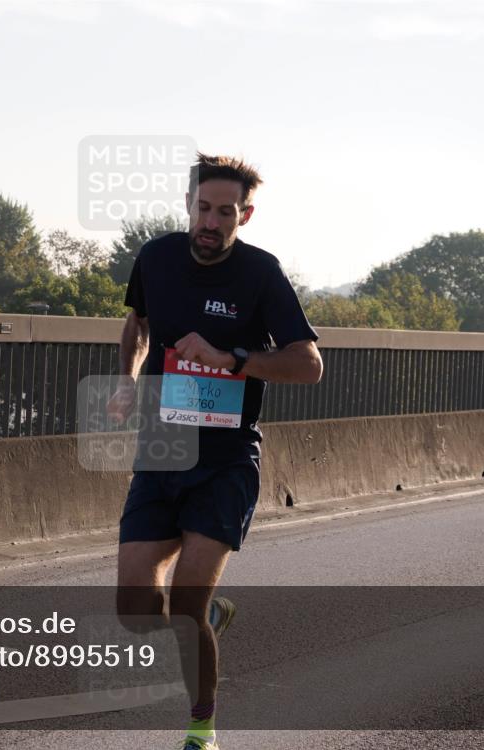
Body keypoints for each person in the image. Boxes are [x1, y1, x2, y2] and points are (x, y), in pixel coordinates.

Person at [108, 153, 323, 749]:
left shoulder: (260, 273)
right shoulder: (155, 257)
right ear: (189, 205)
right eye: (202, 208)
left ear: (244, 215)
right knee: (132, 608)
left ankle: (201, 729)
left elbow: (309, 365)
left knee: (185, 604)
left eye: (224, 212)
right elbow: (138, 324)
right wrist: (128, 377)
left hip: (226, 460)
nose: (210, 221)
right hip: (162, 447)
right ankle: (207, 618)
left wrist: (232, 360)